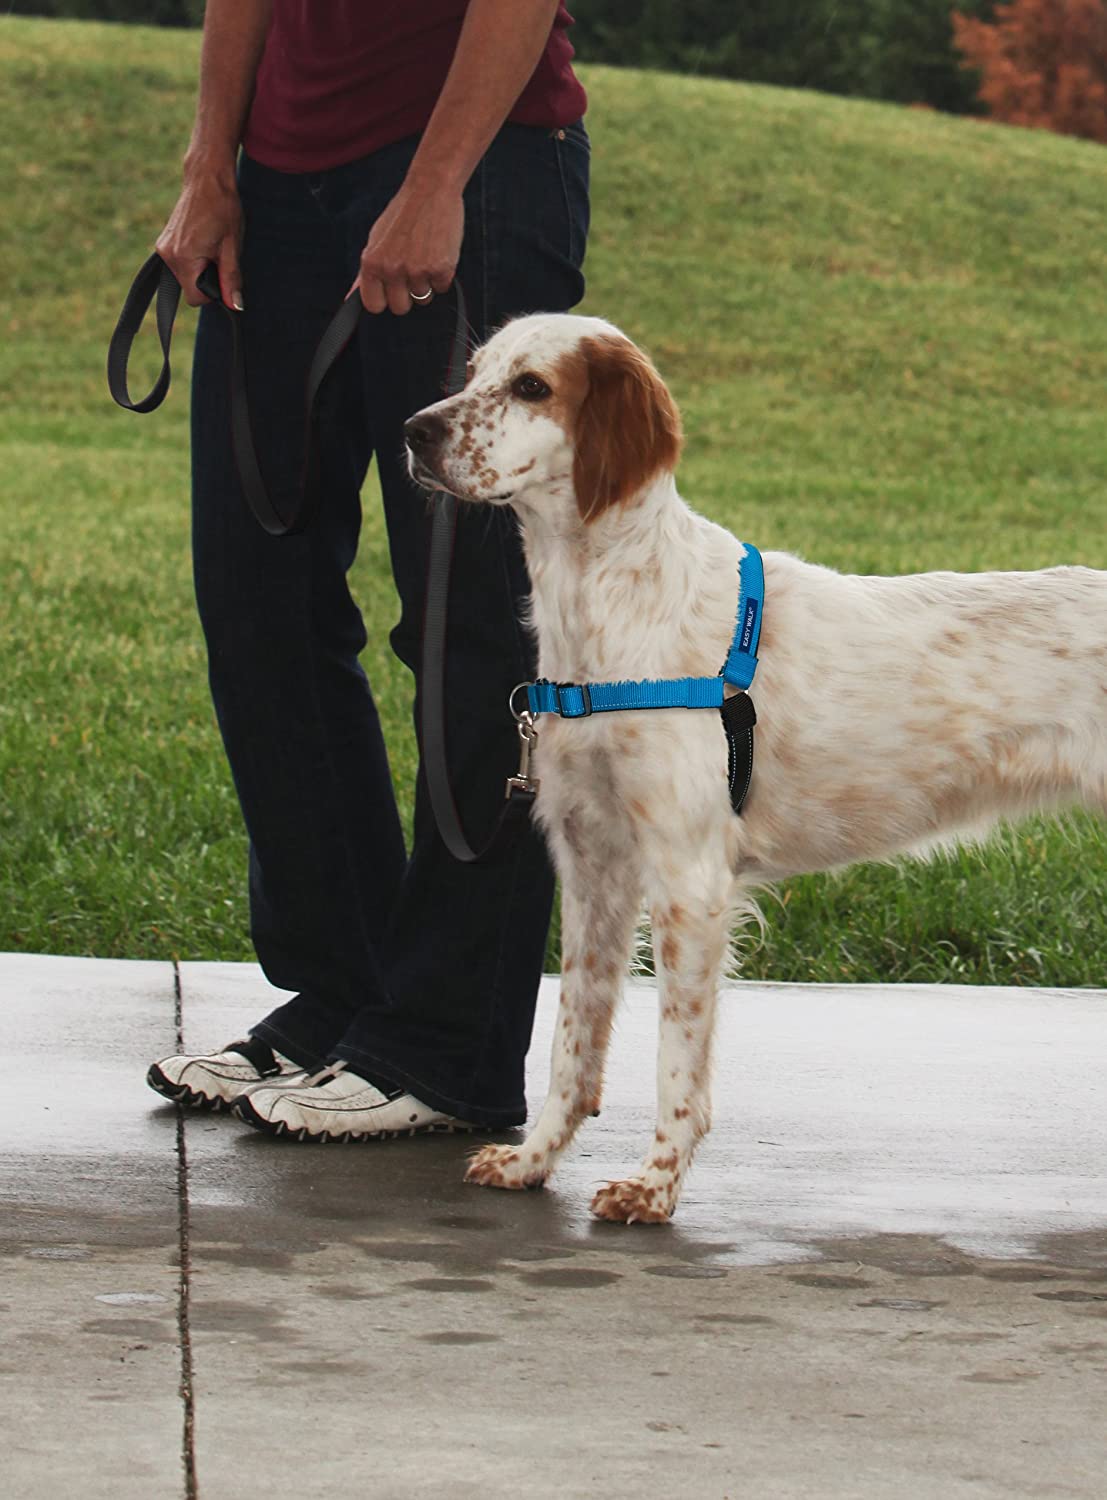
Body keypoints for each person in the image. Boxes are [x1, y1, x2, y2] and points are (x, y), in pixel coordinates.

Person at [146, 0, 590, 1141]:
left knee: (471, 626)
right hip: (281, 181)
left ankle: (446, 1042)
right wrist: (212, 167)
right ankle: (341, 992)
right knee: (258, 598)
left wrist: (439, 179)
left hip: (472, 172)